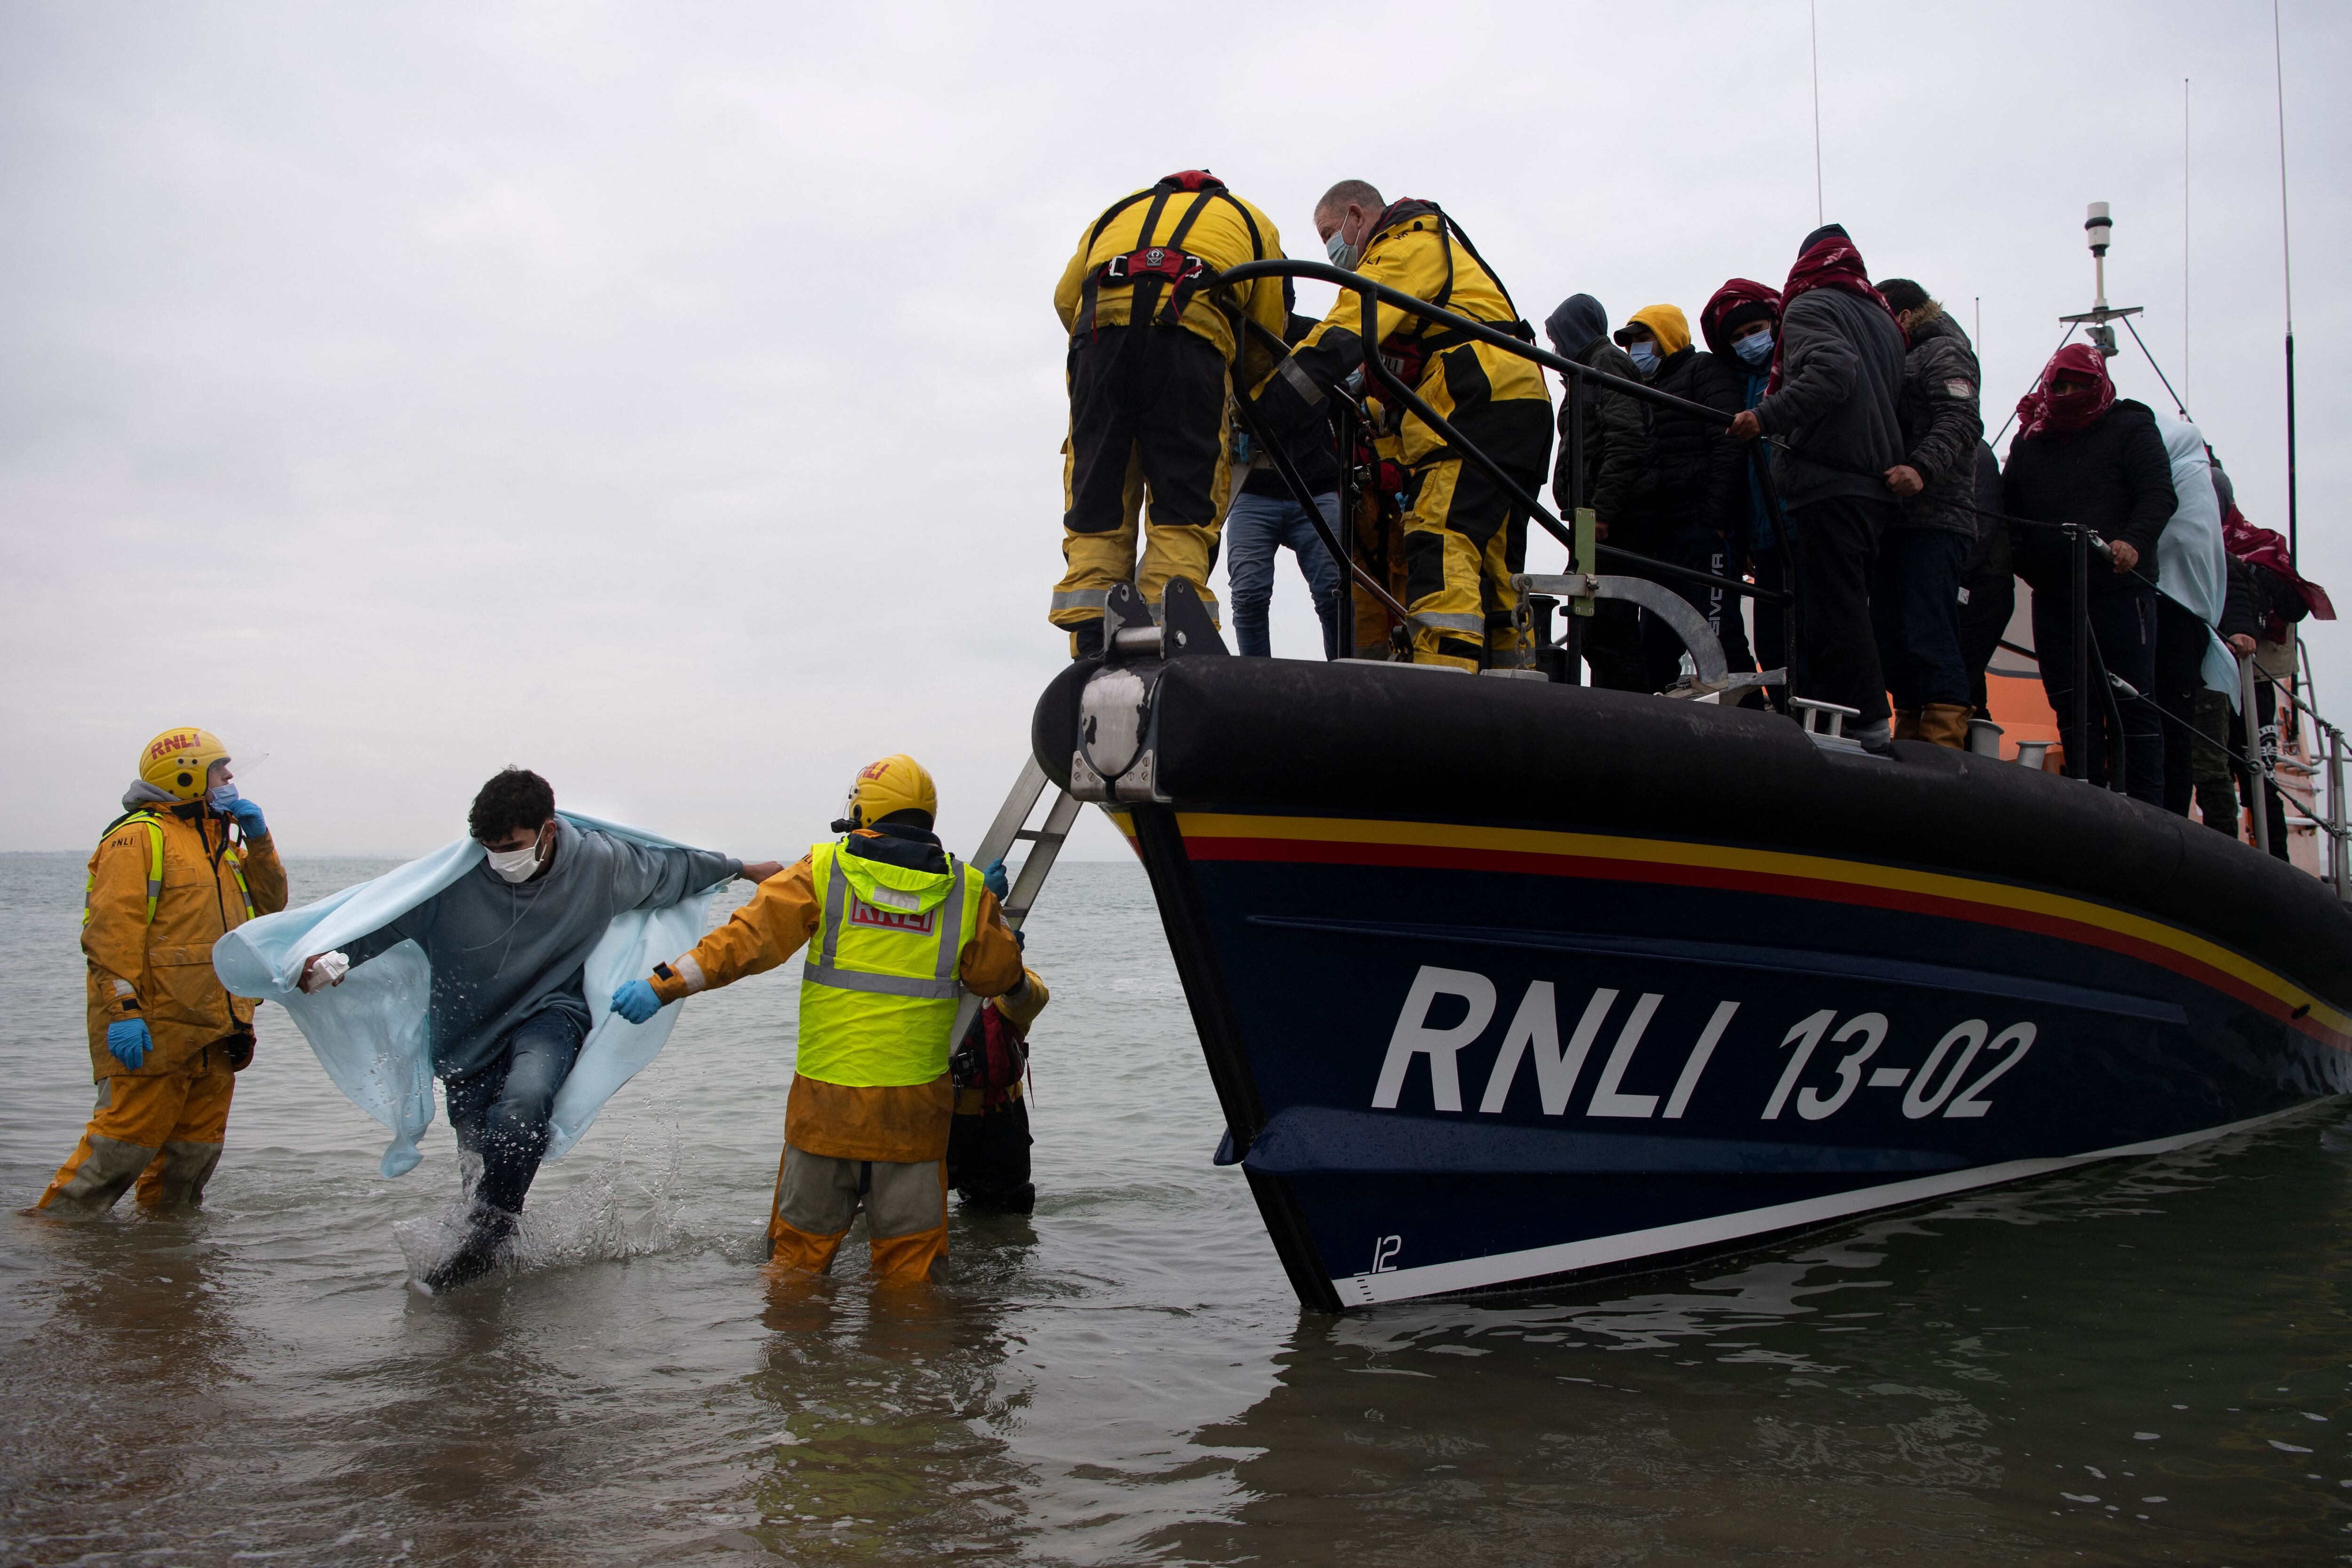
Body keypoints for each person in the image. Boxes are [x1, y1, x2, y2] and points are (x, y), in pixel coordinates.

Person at [299, 768, 774, 1291]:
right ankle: (493, 1258)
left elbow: (672, 870)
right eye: (489, 846)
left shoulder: (597, 864)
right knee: (479, 1158)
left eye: (512, 845)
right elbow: (387, 920)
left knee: (524, 1106)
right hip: (467, 1034)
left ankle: (486, 1246)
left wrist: (745, 869)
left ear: (548, 830)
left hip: (551, 1013)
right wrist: (334, 960)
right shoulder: (453, 882)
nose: (500, 857)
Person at [611, 755, 1023, 1284]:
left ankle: (795, 1365)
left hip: (826, 1108)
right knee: (911, 1273)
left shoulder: (821, 871)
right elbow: (997, 976)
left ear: (861, 810)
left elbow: (741, 945)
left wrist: (661, 985)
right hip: (914, 1113)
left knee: (796, 1266)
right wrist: (990, 910)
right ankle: (910, 1366)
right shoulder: (965, 891)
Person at [1255, 180, 1553, 671]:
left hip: (1475, 398)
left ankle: (1442, 682)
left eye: (1331, 233)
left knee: (1440, 537)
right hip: (1515, 400)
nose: (1332, 250)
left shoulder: (1402, 248)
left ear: (1356, 215)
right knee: (1491, 558)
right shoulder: (1439, 259)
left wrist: (1268, 406)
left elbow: (1343, 331)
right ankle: (1509, 679)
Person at [38, 728, 288, 1217]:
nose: (231, 777)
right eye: (221, 768)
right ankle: (46, 1252)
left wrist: (258, 839)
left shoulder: (218, 841)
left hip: (218, 1030)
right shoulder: (137, 839)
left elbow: (272, 906)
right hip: (154, 1028)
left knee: (190, 1163)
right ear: (188, 774)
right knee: (119, 1151)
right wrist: (122, 1011)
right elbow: (110, 937)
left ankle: (163, 1263)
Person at [1050, 171, 1287, 658]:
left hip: (1098, 344)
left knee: (1099, 496)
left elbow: (1064, 299)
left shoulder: (1115, 213)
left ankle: (1092, 640)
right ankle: (1171, 632)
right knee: (1183, 500)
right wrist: (1244, 392)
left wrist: (1105, 347)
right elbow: (1267, 330)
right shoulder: (1249, 220)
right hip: (1190, 345)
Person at [1728, 224, 1907, 751]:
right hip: (1875, 484)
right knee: (1850, 602)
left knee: (1832, 611)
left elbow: (1833, 374)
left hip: (1829, 479)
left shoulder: (1809, 308)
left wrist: (1765, 416)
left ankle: (1864, 725)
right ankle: (1846, 719)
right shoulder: (1880, 317)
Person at [2002, 344, 2176, 804]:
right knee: (2070, 707)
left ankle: (2147, 810)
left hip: (2121, 591)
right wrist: (2022, 559)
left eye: (2077, 385)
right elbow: (2008, 510)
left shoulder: (2131, 425)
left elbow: (2158, 493)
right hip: (2054, 595)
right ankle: (2087, 802)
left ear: (2097, 384)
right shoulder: (2029, 439)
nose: (2067, 394)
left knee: (2132, 705)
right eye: (2058, 386)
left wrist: (2132, 542)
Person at [1613, 303, 1754, 689]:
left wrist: (1714, 521)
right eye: (1631, 344)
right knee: (1654, 646)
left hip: (1700, 527)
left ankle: (1755, 721)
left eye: (1645, 340)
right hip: (1662, 535)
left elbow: (1728, 446)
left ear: (1667, 337)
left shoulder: (1705, 370)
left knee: (1720, 636)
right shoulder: (1642, 388)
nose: (1636, 350)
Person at [1871, 279, 1985, 748]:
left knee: (1928, 628)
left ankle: (1942, 744)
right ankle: (1913, 730)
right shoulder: (1904, 355)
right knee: (1894, 635)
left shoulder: (1942, 351)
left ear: (1900, 316)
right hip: (1897, 519)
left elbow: (1960, 420)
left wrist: (1920, 468)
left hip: (1936, 518)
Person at [1224, 307, 1345, 659]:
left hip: (1315, 489)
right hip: (1253, 488)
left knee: (1334, 593)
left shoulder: (1318, 336)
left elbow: (1352, 388)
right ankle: (1256, 688)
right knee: (1248, 595)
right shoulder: (1231, 335)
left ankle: (1345, 681)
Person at [1543, 292, 1649, 690]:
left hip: (1607, 522)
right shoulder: (1586, 371)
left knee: (1607, 627)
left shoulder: (1606, 364)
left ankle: (1633, 710)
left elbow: (1626, 439)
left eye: (1558, 339)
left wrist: (1603, 511)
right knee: (1593, 627)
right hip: (1590, 523)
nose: (1555, 349)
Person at [2145, 420, 2235, 818]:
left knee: (2177, 735)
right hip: (2170, 615)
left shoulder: (2195, 487)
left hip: (2178, 620)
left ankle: (2174, 820)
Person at [1700, 279, 1784, 695]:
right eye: (1737, 337)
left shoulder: (1793, 370)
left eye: (1755, 329)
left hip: (1801, 524)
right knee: (1772, 643)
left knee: (1809, 636)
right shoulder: (1733, 384)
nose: (1748, 341)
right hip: (1763, 536)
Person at [947, 960, 1050, 1212]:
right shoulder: (917, 978)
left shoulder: (1007, 974)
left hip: (998, 1114)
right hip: (931, 1110)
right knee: (913, 1212)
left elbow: (1031, 1000)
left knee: (1006, 1207)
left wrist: (1009, 974)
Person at [1955, 441, 2013, 716]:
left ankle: (1960, 751)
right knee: (1969, 683)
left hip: (1981, 581)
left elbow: (1983, 525)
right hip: (1975, 577)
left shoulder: (1974, 450)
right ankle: (1974, 748)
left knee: (1958, 679)